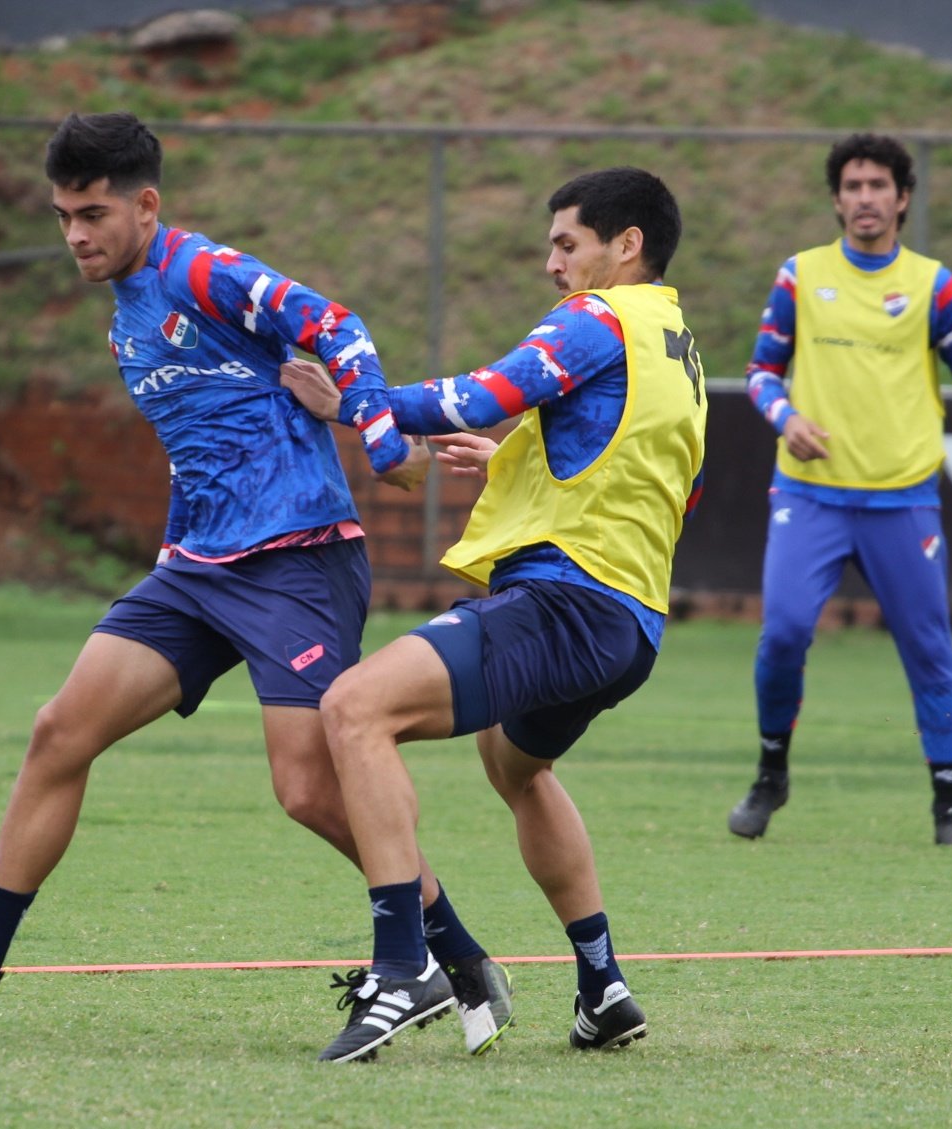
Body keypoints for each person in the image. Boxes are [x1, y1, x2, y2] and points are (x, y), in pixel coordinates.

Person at [0, 111, 514, 1057]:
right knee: (60, 730)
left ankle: (446, 958)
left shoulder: (200, 270)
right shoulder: (125, 302)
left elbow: (334, 324)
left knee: (308, 790)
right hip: (197, 569)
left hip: (296, 560)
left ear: (145, 204)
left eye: (91, 212)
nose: (75, 233)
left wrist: (376, 433)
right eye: (61, 215)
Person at [281, 167, 707, 1062]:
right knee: (515, 767)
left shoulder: (600, 317)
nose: (552, 263)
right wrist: (517, 455)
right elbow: (656, 476)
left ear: (623, 245)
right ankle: (603, 984)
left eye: (567, 243)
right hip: (629, 627)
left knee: (354, 709)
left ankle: (404, 967)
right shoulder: (676, 340)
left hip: (563, 604)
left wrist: (354, 405)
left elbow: (474, 393)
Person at [731, 132, 952, 847]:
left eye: (877, 186)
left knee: (928, 648)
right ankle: (771, 773)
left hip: (903, 499)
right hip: (811, 495)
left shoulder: (932, 285)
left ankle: (948, 807)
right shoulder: (800, 276)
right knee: (783, 633)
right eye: (851, 186)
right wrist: (785, 416)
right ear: (835, 199)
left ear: (901, 198)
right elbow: (760, 372)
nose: (864, 198)